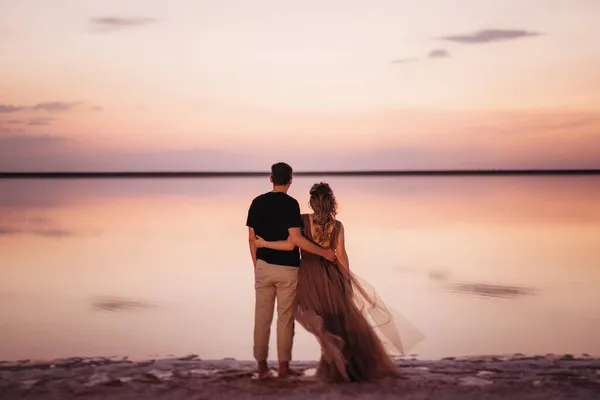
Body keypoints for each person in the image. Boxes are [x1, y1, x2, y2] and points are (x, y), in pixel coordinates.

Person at [255, 182, 424, 382]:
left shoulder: (302, 220)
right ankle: (345, 366)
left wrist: (264, 243)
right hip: (331, 276)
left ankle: (334, 366)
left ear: (312, 202)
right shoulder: (337, 225)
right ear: (331, 202)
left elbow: (293, 243)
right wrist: (346, 280)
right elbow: (341, 255)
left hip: (308, 277)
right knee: (339, 322)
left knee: (323, 323)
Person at [246, 163, 336, 379]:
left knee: (262, 318)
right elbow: (296, 240)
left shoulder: (257, 203)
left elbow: (252, 239)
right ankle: (284, 369)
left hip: (263, 267)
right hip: (287, 269)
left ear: (271, 178)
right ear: (290, 180)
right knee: (285, 319)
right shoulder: (291, 204)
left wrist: (256, 265)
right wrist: (324, 253)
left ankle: (261, 368)